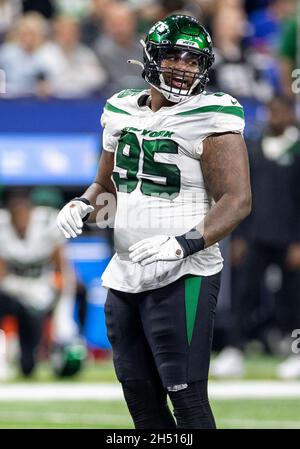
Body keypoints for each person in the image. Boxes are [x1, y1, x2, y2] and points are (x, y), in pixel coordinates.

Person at [57, 14, 251, 429]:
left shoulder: (213, 113)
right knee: (142, 403)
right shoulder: (120, 107)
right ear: (150, 57)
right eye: (174, 56)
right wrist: (83, 204)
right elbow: (105, 186)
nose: (184, 67)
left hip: (185, 272)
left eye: (193, 60)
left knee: (186, 397)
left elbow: (237, 201)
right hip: (126, 272)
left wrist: (184, 243)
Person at [211, 97, 300, 379]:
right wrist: (239, 235)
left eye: (282, 110)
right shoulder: (252, 147)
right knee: (243, 295)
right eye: (272, 110)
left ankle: (295, 352)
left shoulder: (297, 149)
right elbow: (241, 196)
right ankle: (234, 350)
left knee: (293, 299)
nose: (276, 116)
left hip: (290, 239)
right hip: (255, 236)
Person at [0, 191, 67, 376]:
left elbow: (60, 264)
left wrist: (59, 288)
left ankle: (48, 352)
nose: (21, 221)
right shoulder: (3, 227)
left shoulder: (46, 225)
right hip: (11, 287)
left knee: (28, 367)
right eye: (16, 217)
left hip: (38, 288)